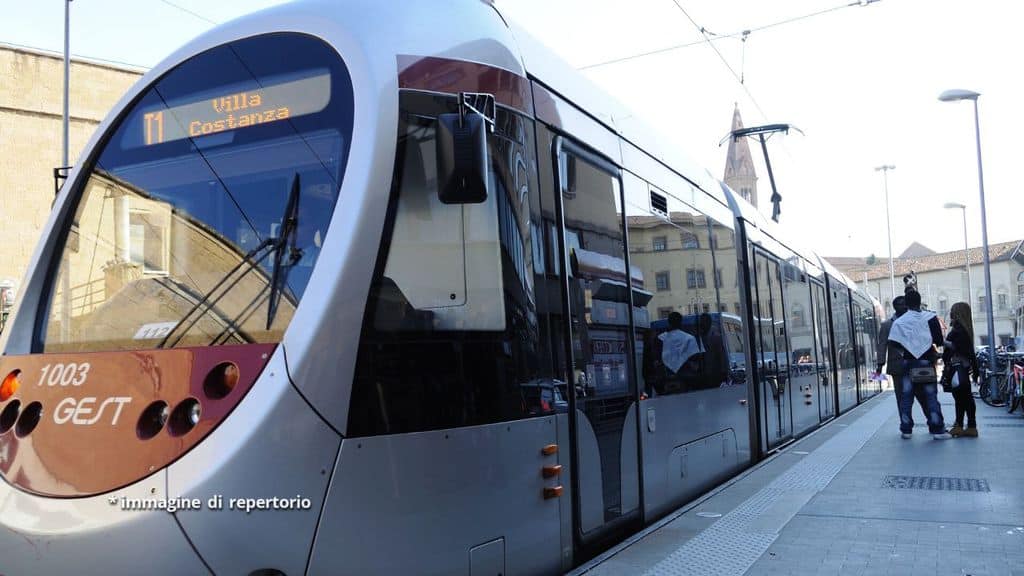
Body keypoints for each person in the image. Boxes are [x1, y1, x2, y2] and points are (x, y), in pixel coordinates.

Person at [887, 289, 951, 440]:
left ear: (906, 304)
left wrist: (905, 351)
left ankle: (906, 429)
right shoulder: (930, 317)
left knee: (906, 397)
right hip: (926, 362)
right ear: (919, 301)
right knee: (931, 396)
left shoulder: (899, 322)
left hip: (908, 362)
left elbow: (892, 342)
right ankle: (937, 429)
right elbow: (939, 341)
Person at [942, 302, 980, 437]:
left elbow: (958, 347)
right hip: (963, 367)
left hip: (958, 367)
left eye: (953, 311)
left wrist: (943, 342)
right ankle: (968, 425)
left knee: (961, 398)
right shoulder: (965, 329)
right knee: (965, 397)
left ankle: (963, 425)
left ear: (958, 313)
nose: (951, 314)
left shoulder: (959, 330)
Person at [876, 296, 908, 407]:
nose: (904, 307)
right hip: (896, 365)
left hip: (914, 364)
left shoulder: (913, 322)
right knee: (900, 395)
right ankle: (904, 420)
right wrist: (880, 364)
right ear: (895, 307)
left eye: (905, 304)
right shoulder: (887, 325)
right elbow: (882, 345)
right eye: (901, 304)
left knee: (914, 395)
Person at [659, 312, 700, 393]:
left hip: (666, 379)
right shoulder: (690, 338)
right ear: (681, 323)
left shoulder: (660, 339)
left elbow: (657, 360)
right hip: (687, 379)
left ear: (669, 323)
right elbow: (695, 362)